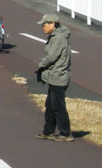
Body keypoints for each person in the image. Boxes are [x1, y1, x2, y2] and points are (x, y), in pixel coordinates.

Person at [35, 13, 73, 142]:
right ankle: (48, 131)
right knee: (50, 105)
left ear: (52, 24)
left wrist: (41, 65)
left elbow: (51, 57)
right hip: (54, 76)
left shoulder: (58, 38)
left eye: (44, 25)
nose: (43, 27)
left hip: (59, 76)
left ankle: (65, 133)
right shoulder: (55, 36)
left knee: (58, 106)